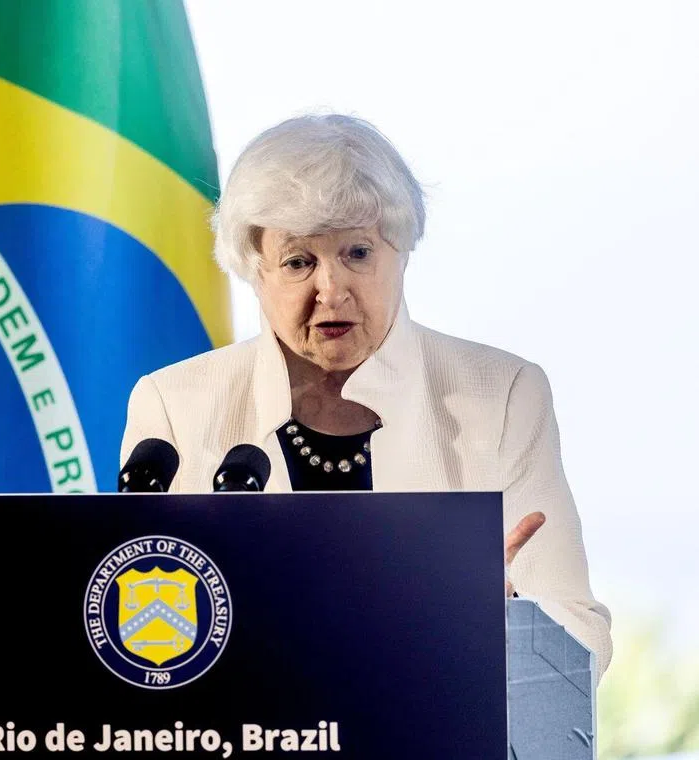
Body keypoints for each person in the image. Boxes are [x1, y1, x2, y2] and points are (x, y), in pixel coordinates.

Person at [119, 113, 612, 674]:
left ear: (402, 253)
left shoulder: (502, 395)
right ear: (256, 272)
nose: (331, 291)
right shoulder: (174, 403)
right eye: (299, 261)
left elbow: (583, 641)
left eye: (357, 253)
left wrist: (503, 617)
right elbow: (135, 630)